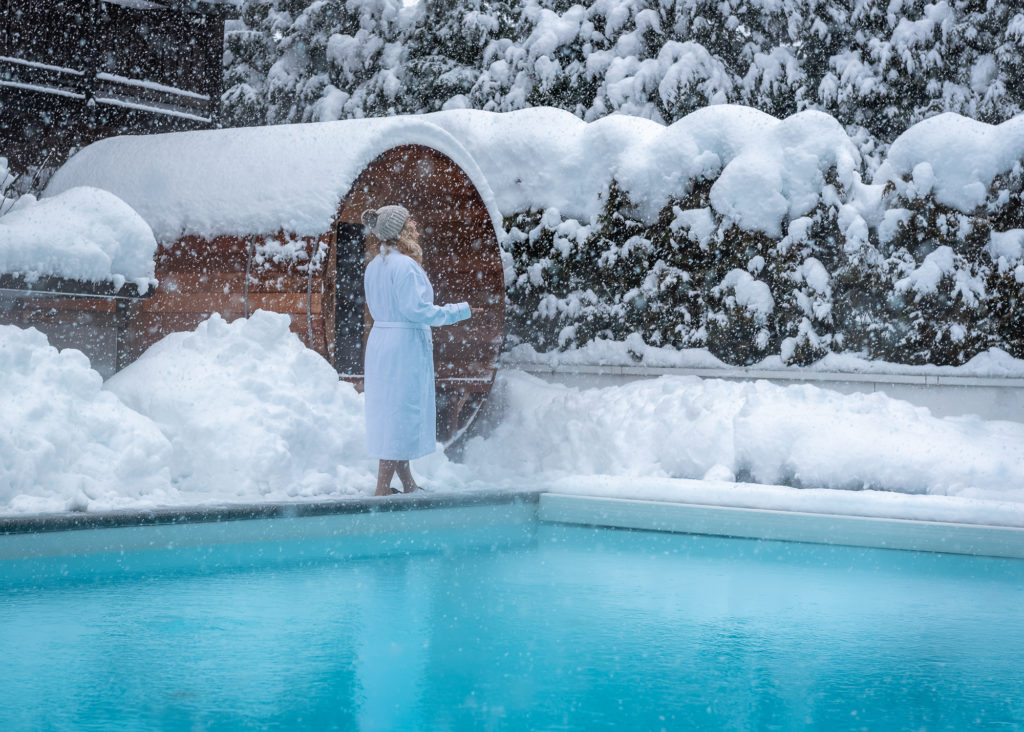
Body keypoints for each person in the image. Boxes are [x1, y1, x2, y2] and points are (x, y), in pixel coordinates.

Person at [361, 204, 475, 496]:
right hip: (403, 345)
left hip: (382, 343)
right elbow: (418, 310)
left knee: (392, 410)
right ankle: (382, 488)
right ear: (399, 230)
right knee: (400, 413)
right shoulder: (405, 266)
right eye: (408, 220)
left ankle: (407, 482)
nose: (414, 223)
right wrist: (460, 311)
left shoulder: (375, 265)